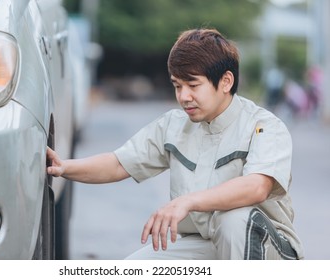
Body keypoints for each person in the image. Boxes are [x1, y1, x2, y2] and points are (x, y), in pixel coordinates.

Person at [47, 28, 304, 260]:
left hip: (269, 250)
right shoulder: (174, 125)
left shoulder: (264, 126)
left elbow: (257, 186)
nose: (183, 96)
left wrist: (188, 201)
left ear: (226, 81)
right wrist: (63, 167)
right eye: (177, 86)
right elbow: (118, 163)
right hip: (204, 244)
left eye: (193, 85)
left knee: (235, 220)